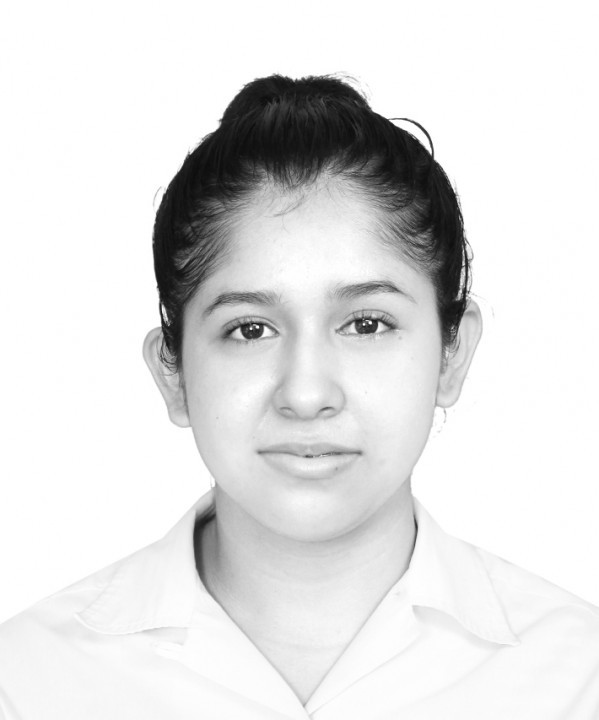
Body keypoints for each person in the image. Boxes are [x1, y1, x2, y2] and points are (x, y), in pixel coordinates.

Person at [1, 74, 598, 719]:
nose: (307, 395)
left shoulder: (578, 679)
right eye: (250, 330)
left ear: (452, 354)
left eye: (366, 324)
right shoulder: (27, 682)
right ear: (173, 374)